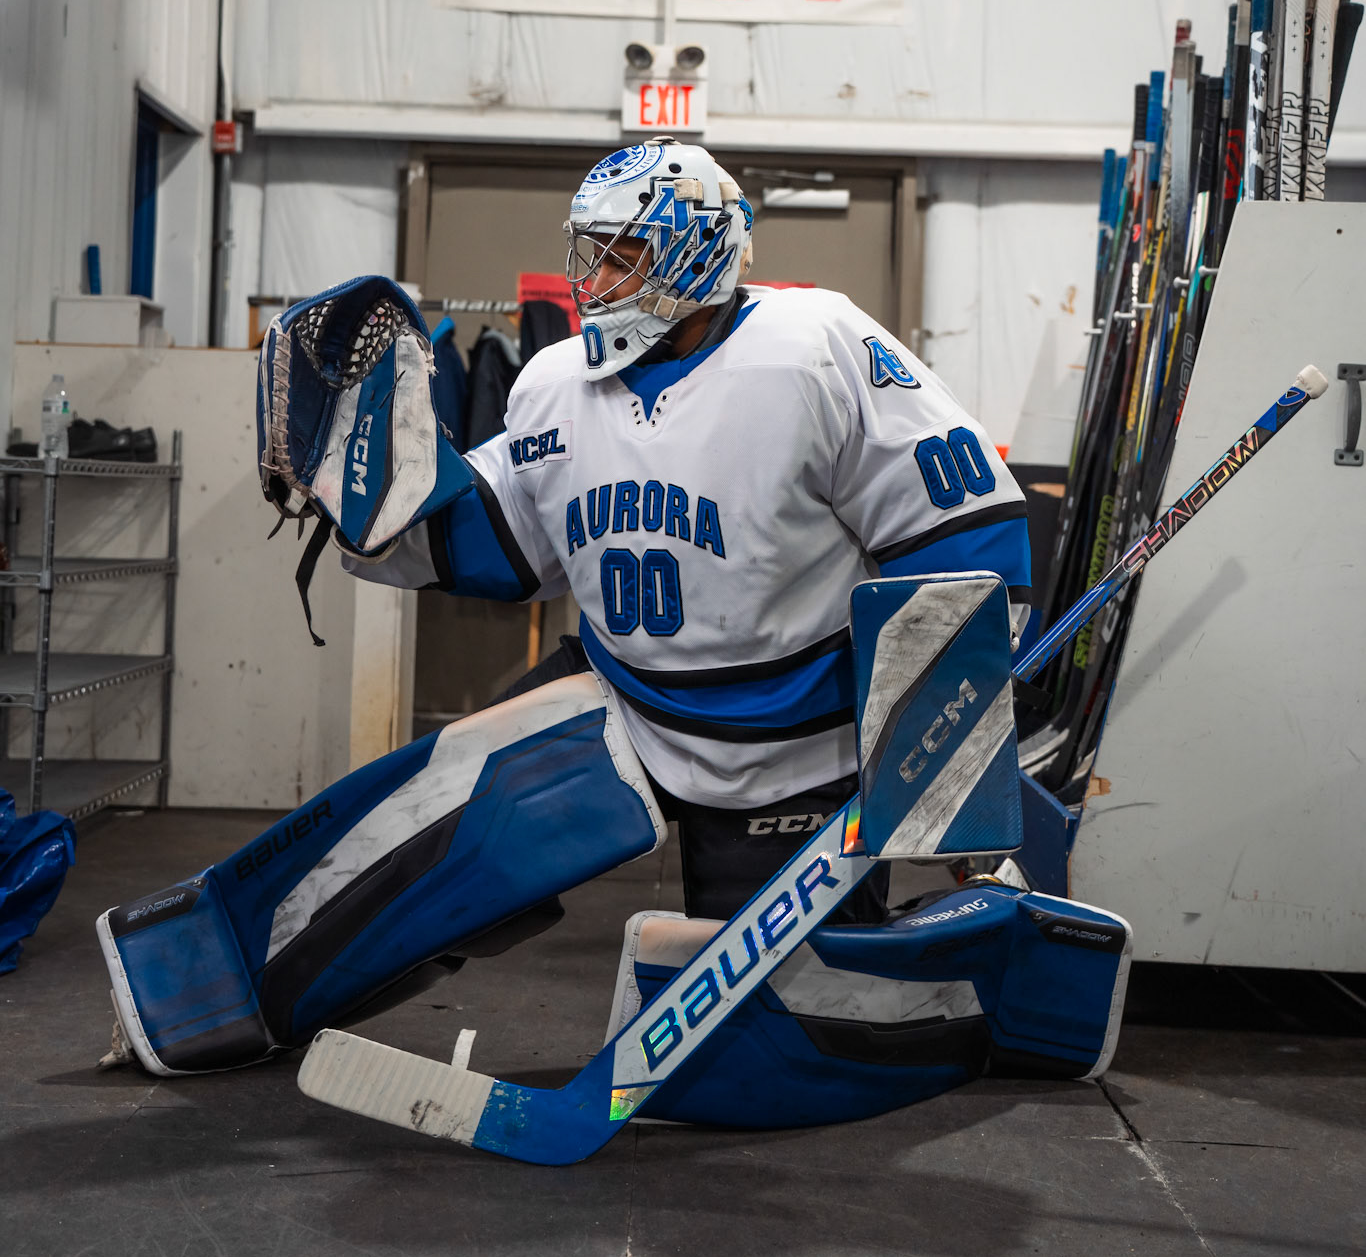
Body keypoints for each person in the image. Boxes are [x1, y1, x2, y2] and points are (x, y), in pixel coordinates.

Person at [97, 141, 1032, 1078]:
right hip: (626, 705)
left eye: (624, 252)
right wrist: (362, 501)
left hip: (796, 748)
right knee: (413, 845)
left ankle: (973, 973)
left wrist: (933, 746)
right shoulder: (553, 383)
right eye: (590, 250)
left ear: (700, 248)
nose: (595, 277)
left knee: (778, 1032)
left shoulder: (817, 346)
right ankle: (205, 998)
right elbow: (505, 541)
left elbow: (961, 525)